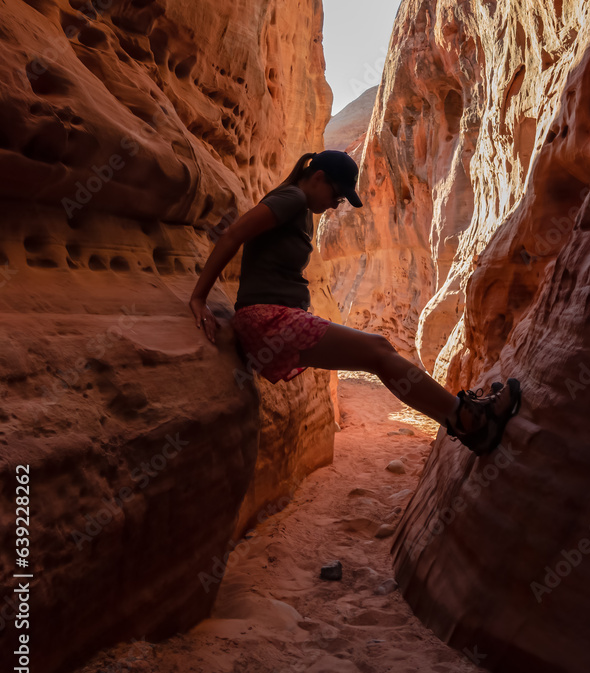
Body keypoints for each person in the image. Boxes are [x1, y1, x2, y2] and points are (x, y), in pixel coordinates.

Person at [189, 150, 521, 456]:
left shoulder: (299, 206)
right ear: (317, 177)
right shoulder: (291, 197)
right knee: (377, 350)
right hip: (266, 320)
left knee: (377, 354)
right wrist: (198, 298)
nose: (336, 203)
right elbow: (233, 235)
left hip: (273, 319)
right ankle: (468, 419)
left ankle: (464, 423)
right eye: (336, 194)